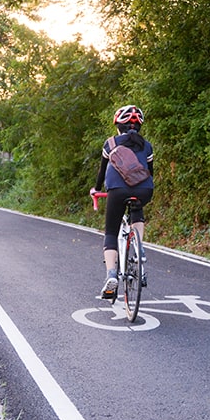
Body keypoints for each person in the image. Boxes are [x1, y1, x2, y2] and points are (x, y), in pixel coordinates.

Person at [90, 105, 154, 299]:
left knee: (111, 232)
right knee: (137, 208)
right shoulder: (147, 146)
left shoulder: (110, 144)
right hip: (144, 189)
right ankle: (140, 251)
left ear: (118, 125)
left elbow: (102, 172)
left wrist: (96, 189)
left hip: (117, 191)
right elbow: (150, 173)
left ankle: (111, 275)